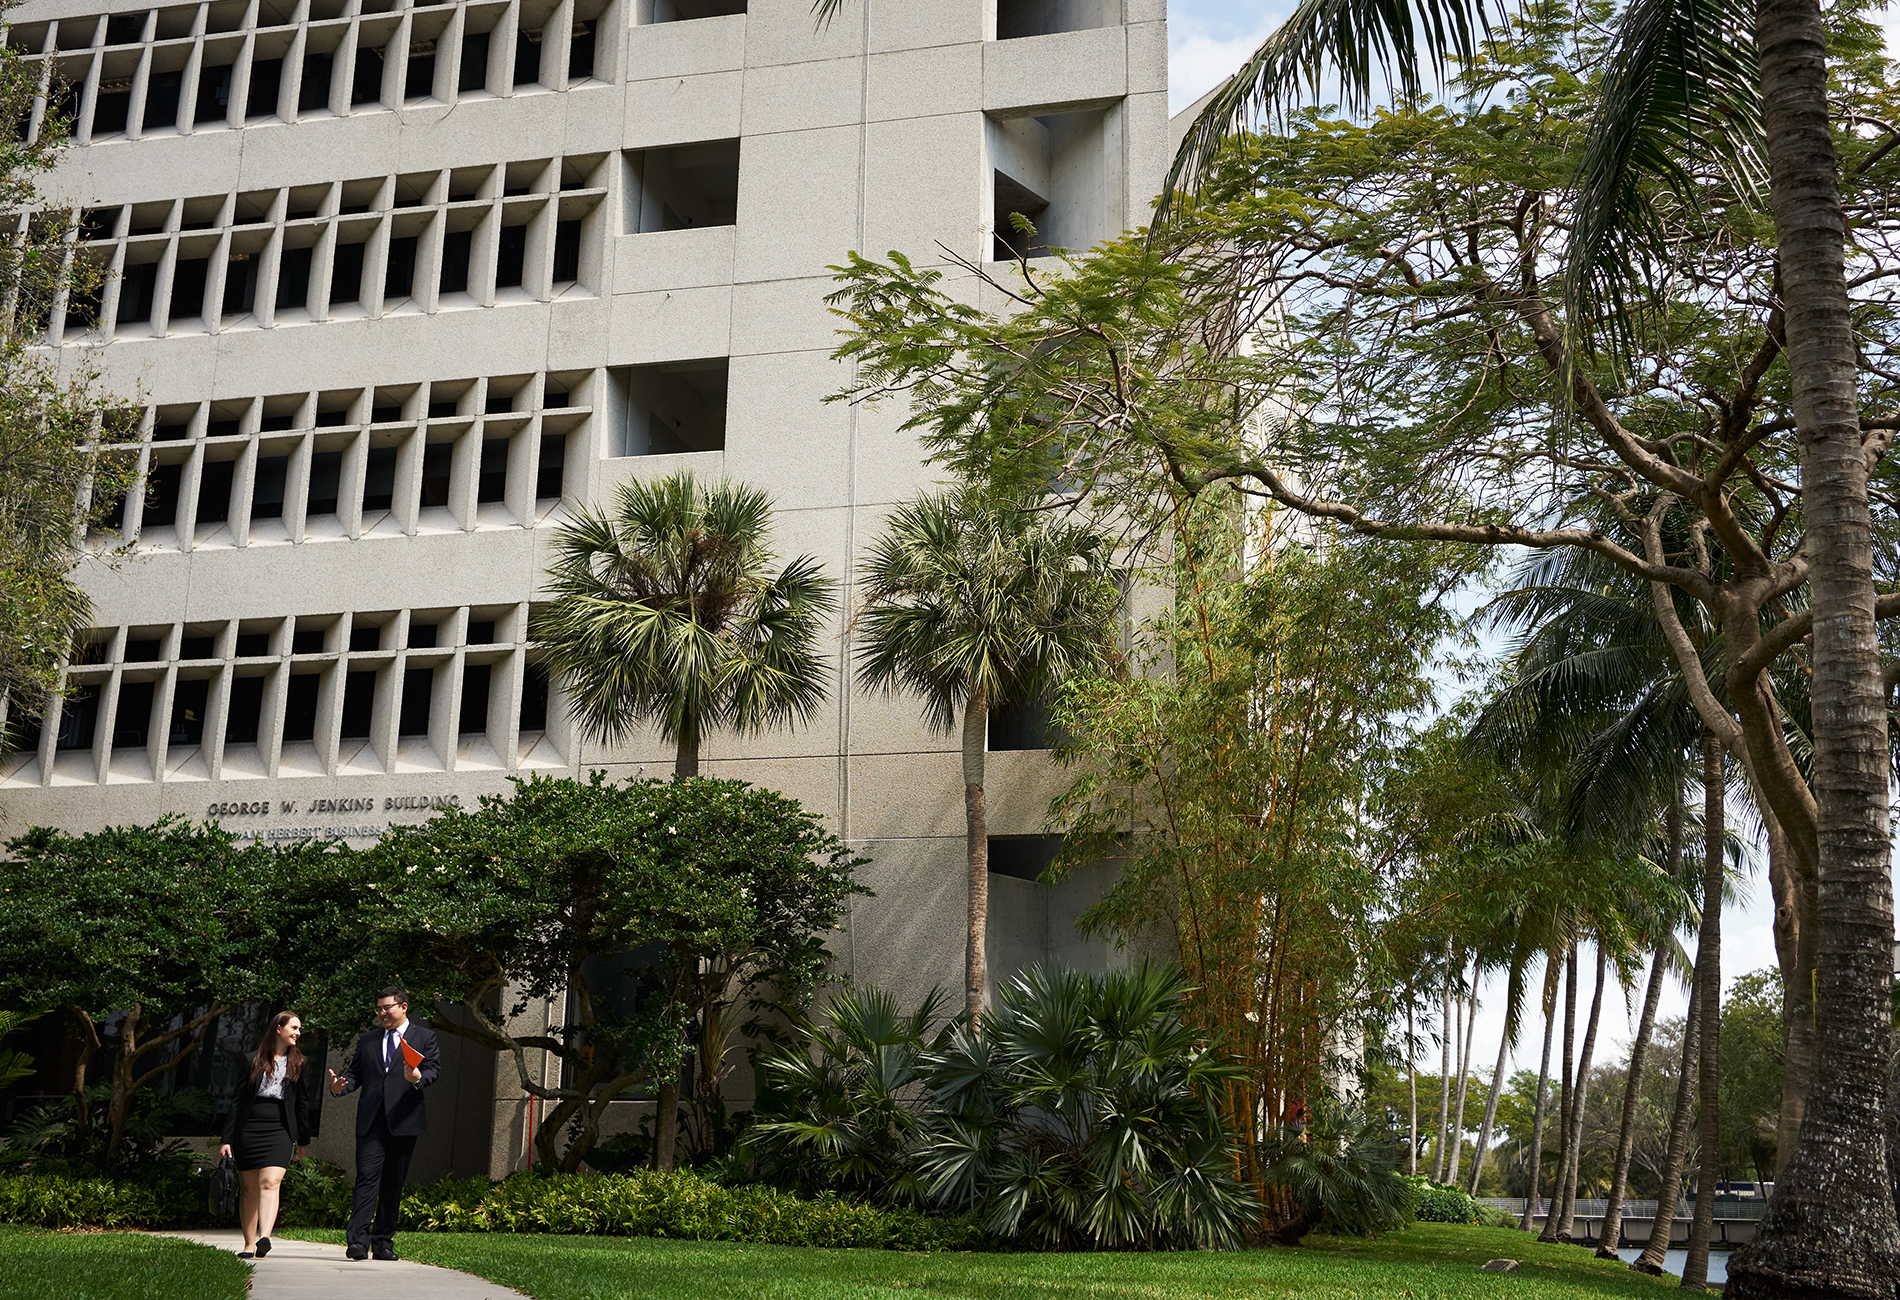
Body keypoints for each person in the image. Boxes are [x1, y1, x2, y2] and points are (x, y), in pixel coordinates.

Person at [327, 986, 440, 1261]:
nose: (381, 1013)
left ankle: (383, 1243)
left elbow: (433, 1069)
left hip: (404, 1121)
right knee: (366, 1180)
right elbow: (355, 1074)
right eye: (378, 1009)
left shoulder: (424, 1037)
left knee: (393, 1184)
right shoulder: (367, 1039)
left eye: (386, 1008)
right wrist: (341, 1086)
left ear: (403, 1007)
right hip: (371, 1122)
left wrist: (418, 1079)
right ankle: (357, 1242)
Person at [218, 1010, 320, 1260]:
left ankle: (265, 1236)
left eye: (299, 1029)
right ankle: (248, 1244)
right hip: (249, 1127)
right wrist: (226, 1138)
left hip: (280, 1128)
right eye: (293, 1028)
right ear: (279, 1029)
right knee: (249, 1187)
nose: (297, 1033)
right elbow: (237, 1100)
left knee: (271, 1182)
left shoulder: (300, 1063)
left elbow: (302, 1104)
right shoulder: (251, 1059)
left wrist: (303, 1140)